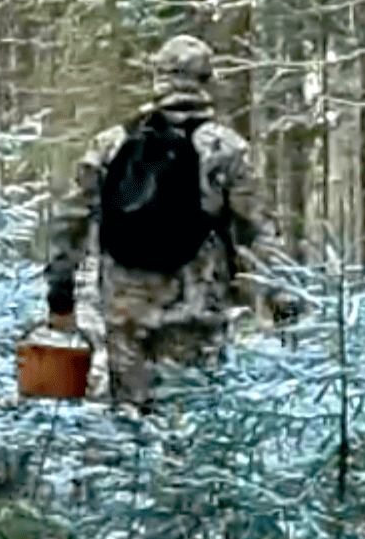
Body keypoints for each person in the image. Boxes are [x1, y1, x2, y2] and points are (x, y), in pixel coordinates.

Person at [44, 36, 297, 407]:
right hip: (197, 308)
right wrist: (281, 298)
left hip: (124, 307)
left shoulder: (112, 143)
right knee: (193, 422)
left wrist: (60, 293)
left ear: (158, 77)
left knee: (131, 418)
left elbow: (70, 219)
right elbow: (257, 231)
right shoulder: (225, 149)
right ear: (206, 79)